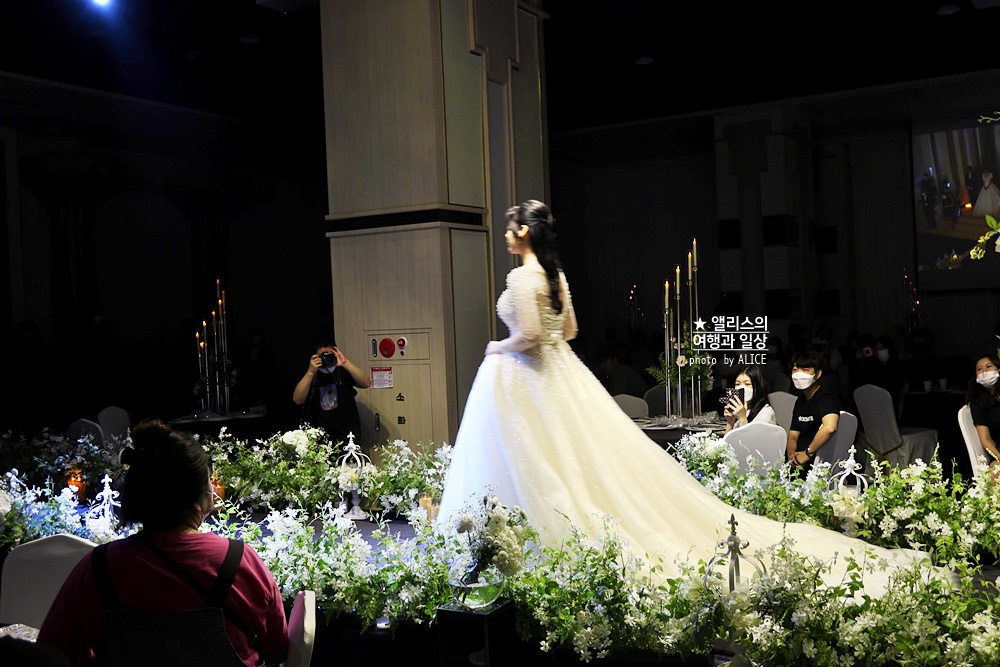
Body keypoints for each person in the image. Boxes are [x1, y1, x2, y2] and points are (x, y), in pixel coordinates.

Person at [436, 199, 924, 593]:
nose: (506, 235)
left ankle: (519, 550)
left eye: (510, 228)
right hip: (559, 374)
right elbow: (569, 331)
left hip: (525, 376)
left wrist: (497, 347)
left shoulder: (523, 277)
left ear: (524, 231)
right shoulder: (555, 277)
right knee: (565, 456)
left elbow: (527, 337)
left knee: (533, 457)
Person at [37, 419, 288, 667]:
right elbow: (277, 648)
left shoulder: (98, 567)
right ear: (199, 498)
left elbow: (54, 652)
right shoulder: (240, 561)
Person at [292, 340, 371, 445]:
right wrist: (311, 372)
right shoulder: (310, 374)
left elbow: (366, 383)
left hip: (347, 433)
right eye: (322, 356)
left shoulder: (342, 370)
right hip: (318, 434)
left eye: (330, 354)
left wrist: (345, 363)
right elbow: (297, 400)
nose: (326, 358)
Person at [786, 350, 841, 473]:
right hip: (797, 462)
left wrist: (807, 453)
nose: (799, 374)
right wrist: (791, 454)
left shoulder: (826, 398)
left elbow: (830, 427)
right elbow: (793, 434)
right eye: (795, 370)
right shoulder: (800, 400)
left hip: (816, 463)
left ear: (817, 374)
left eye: (805, 370)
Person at [966, 354, 1000, 475]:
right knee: (994, 473)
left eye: (988, 366)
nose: (984, 372)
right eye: (979, 369)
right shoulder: (978, 403)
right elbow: (985, 439)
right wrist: (998, 458)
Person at [722, 365, 776, 432]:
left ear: (757, 387)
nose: (741, 388)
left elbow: (754, 438)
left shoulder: (766, 413)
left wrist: (742, 418)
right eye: (738, 384)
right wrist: (730, 422)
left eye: (747, 384)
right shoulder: (742, 410)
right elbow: (728, 438)